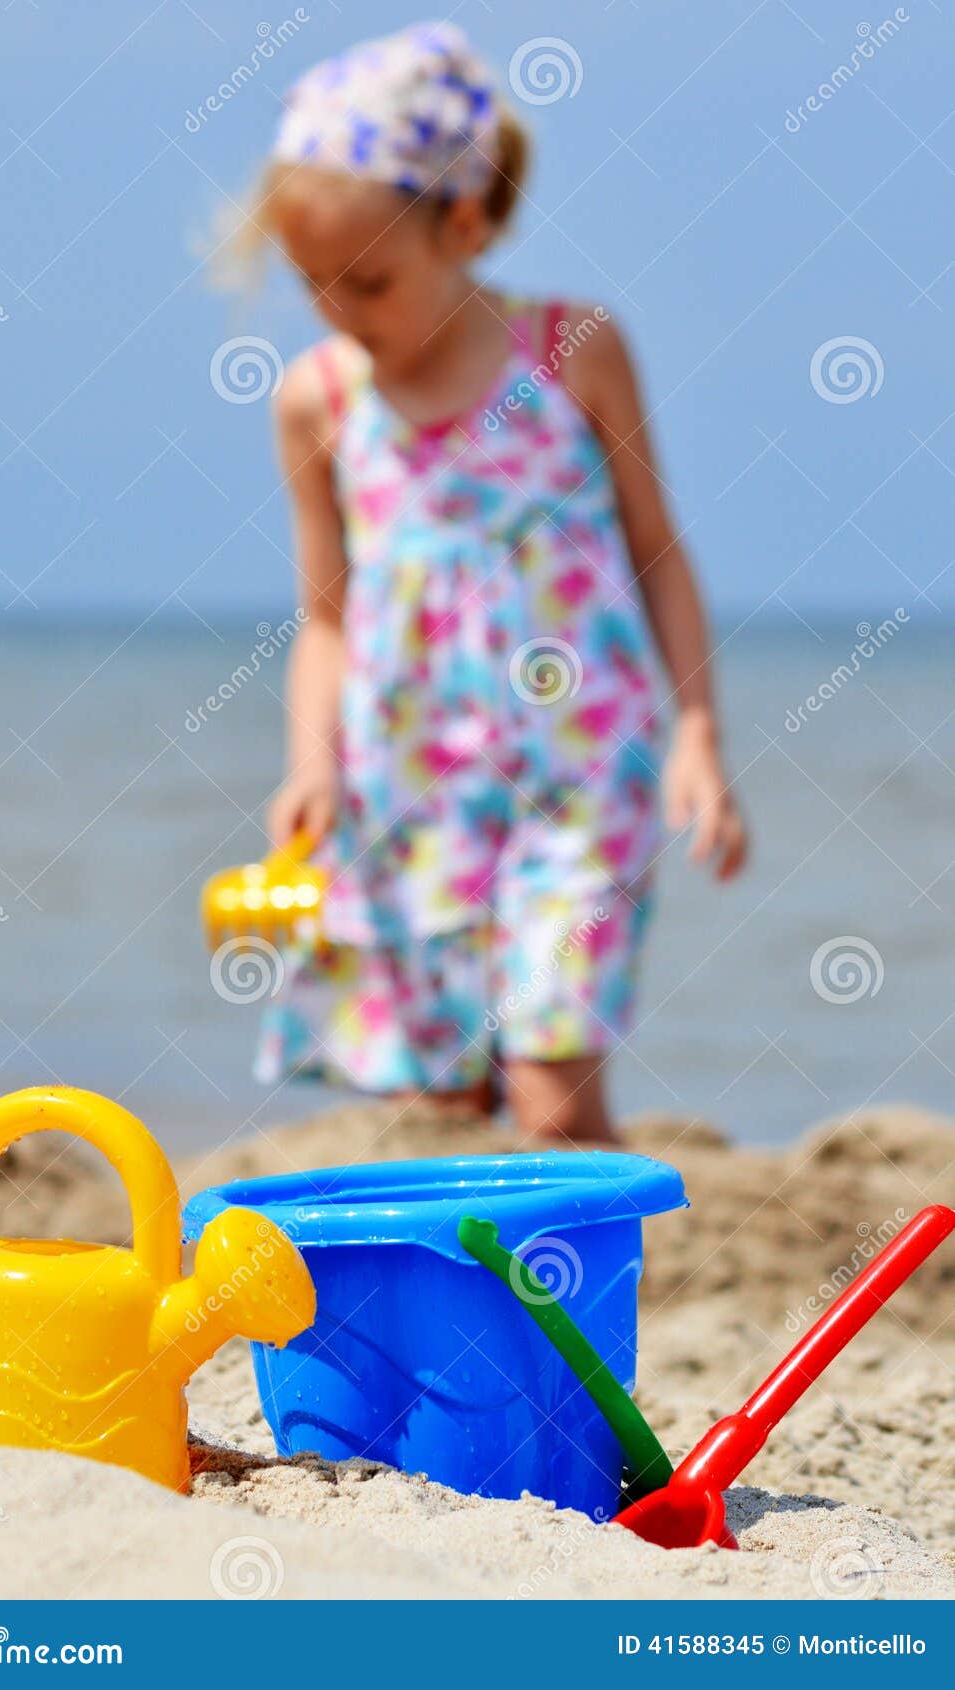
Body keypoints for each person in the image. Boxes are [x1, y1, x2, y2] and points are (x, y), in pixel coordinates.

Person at [236, 21, 747, 1143]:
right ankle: (474, 1318)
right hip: (405, 790)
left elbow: (657, 548)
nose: (338, 309)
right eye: (312, 282)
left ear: (464, 224)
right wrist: (310, 765)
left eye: (369, 280)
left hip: (579, 775)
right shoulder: (319, 398)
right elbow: (325, 617)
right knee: (438, 1101)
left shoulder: (572, 349)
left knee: (550, 1083)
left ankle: (591, 1300)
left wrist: (698, 725)